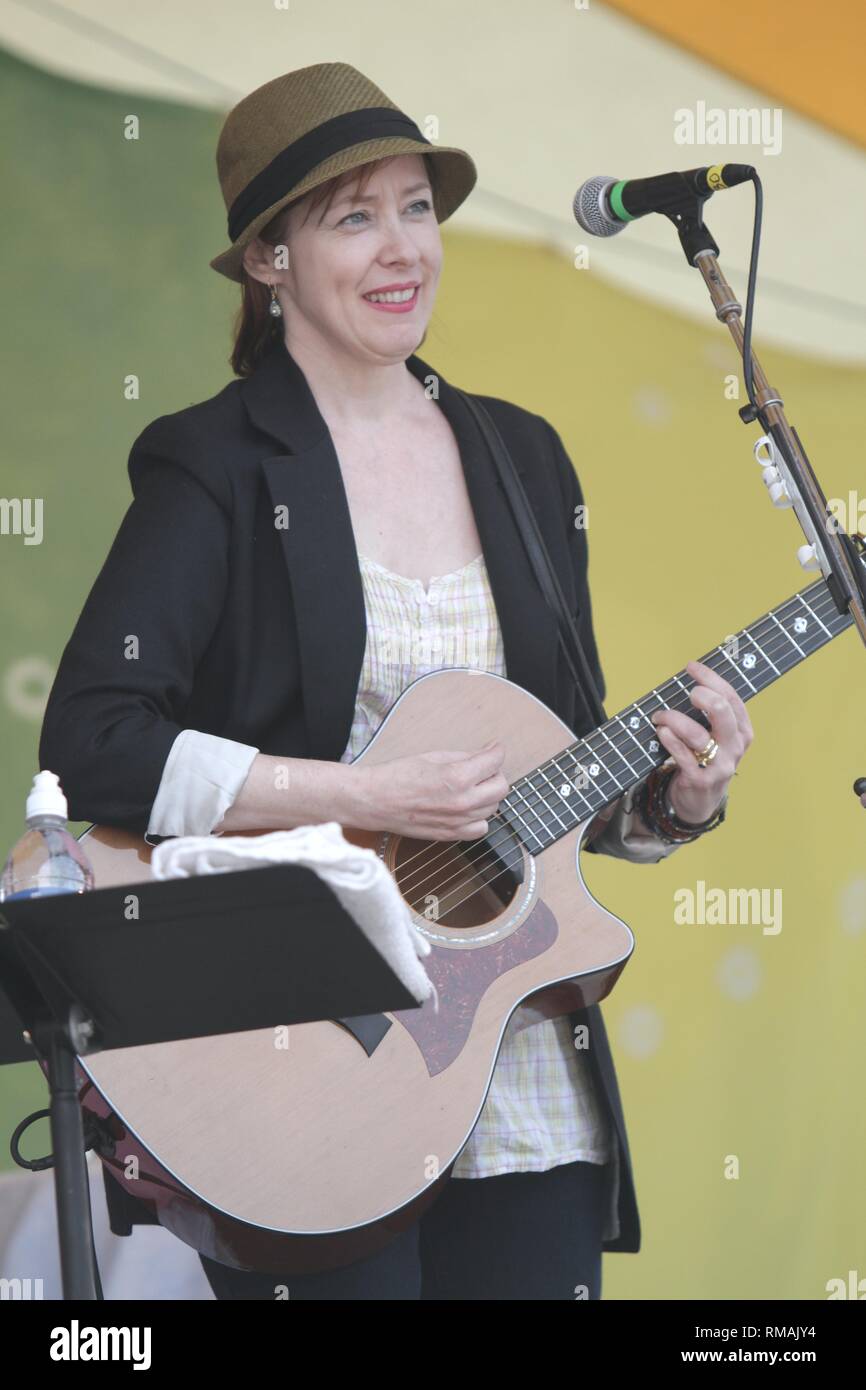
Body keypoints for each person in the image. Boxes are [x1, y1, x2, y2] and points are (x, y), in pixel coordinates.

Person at [38, 62, 753, 1300]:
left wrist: (671, 799)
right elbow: (96, 741)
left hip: (519, 1079)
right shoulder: (212, 462)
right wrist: (371, 791)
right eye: (351, 215)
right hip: (312, 1070)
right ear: (268, 258)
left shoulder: (522, 457)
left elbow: (554, 769)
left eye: (416, 207)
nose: (400, 248)